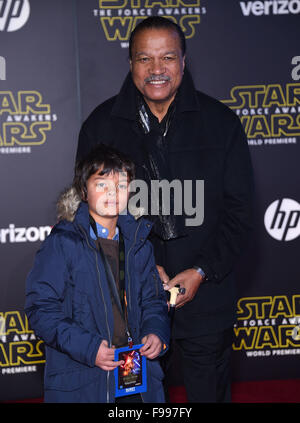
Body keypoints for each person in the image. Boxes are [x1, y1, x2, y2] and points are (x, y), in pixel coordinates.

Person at [76, 17, 254, 402]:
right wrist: (137, 268)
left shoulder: (221, 123)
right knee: (135, 405)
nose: (157, 70)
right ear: (130, 63)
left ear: (184, 61)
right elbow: (89, 216)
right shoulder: (100, 126)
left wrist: (202, 271)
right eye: (145, 59)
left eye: (168, 57)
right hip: (127, 309)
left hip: (206, 302)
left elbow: (240, 214)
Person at [25, 144, 170, 403]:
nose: (113, 193)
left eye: (122, 185)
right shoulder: (63, 243)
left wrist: (156, 332)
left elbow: (154, 300)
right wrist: (89, 349)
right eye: (102, 184)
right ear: (83, 190)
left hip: (136, 376)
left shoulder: (139, 242)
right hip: (84, 378)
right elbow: (41, 308)